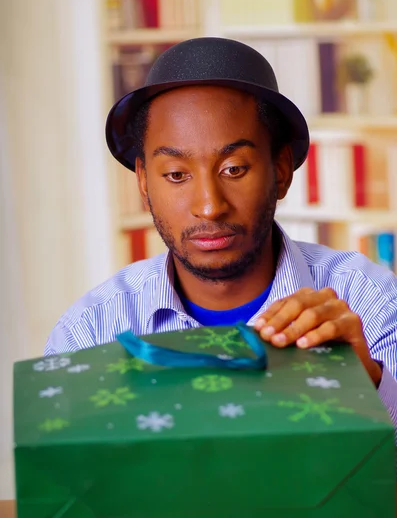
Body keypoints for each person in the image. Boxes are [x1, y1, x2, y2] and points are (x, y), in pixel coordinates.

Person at [45, 37, 397, 428]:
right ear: (144, 182)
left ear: (281, 170)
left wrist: (371, 381)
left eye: (234, 169)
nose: (210, 206)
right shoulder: (90, 332)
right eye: (176, 175)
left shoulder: (372, 305)